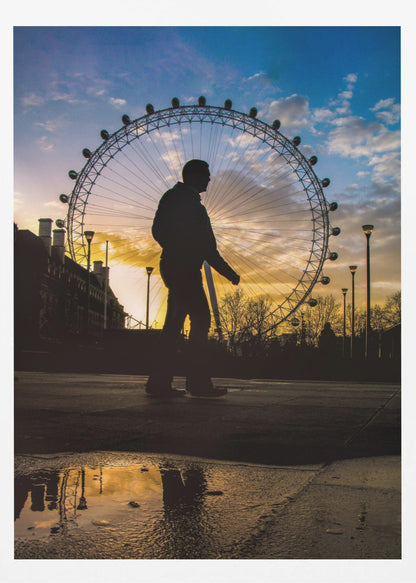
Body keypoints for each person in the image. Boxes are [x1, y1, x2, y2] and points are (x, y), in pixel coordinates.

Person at [145, 159, 240, 398]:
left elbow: (160, 231)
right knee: (200, 321)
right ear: (195, 176)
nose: (209, 179)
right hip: (184, 269)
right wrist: (228, 272)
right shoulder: (186, 202)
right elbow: (206, 246)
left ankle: (159, 382)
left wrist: (175, 247)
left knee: (173, 326)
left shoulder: (176, 199)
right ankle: (197, 383)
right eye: (206, 174)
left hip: (176, 267)